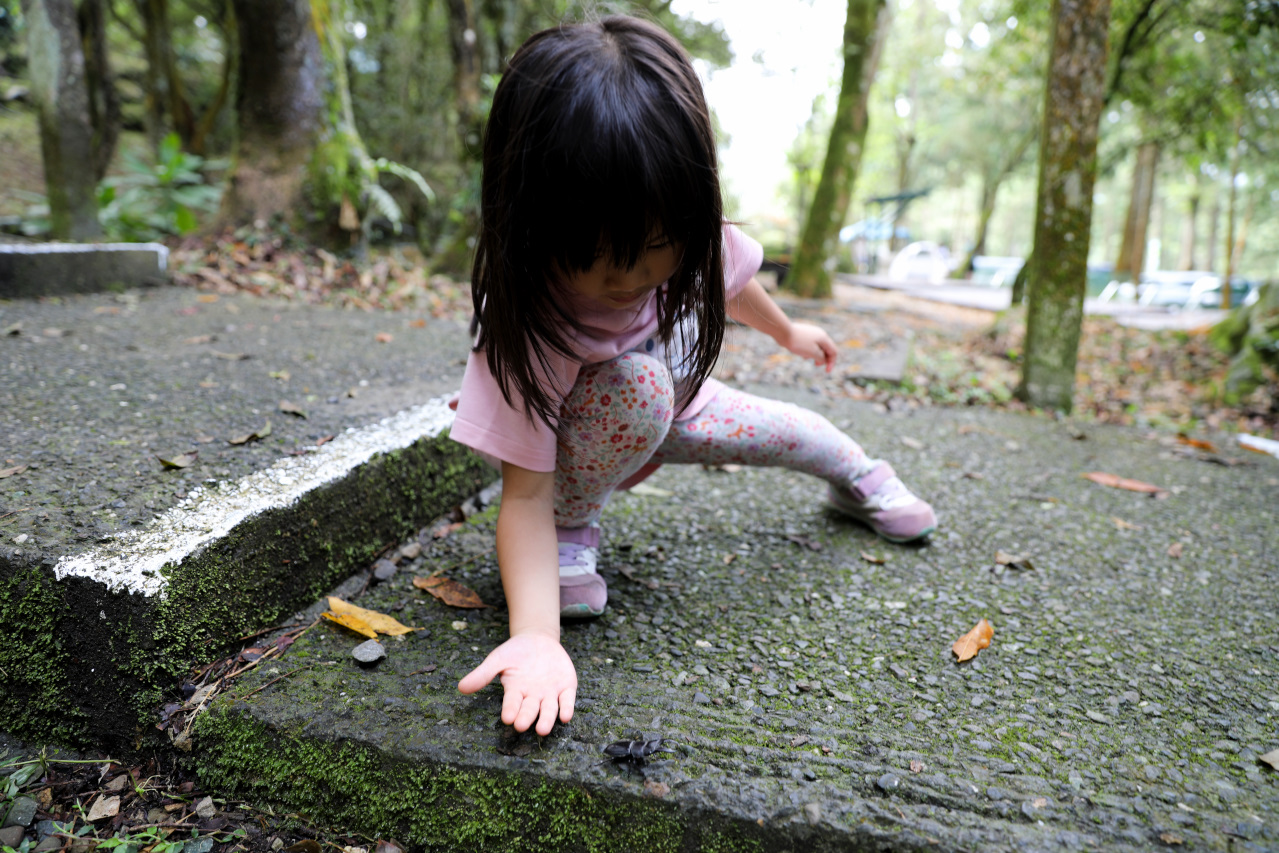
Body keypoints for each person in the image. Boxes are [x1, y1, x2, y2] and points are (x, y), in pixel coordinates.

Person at [453, 15, 936, 737]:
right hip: (598, 421)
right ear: (529, 220)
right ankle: (574, 530)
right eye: (597, 253)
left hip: (679, 396)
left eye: (655, 248)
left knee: (795, 432)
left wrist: (787, 331)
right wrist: (537, 635)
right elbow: (521, 492)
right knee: (634, 391)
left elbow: (730, 275)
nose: (632, 276)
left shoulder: (683, 226)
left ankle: (862, 477)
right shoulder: (525, 323)